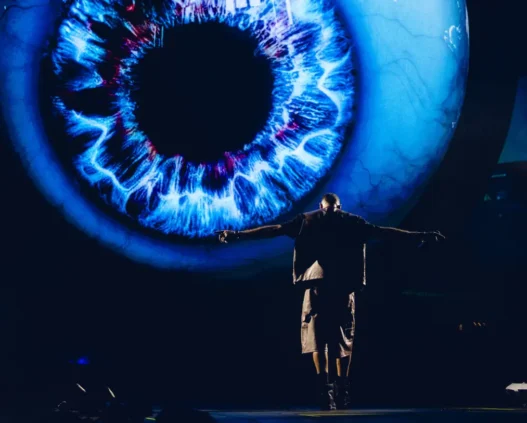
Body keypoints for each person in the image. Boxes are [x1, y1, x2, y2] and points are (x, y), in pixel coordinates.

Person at [216, 193, 445, 410]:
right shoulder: (352, 222)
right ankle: (342, 388)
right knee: (343, 340)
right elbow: (385, 232)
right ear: (340, 207)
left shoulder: (306, 220)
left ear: (320, 206)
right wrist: (420, 235)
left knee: (318, 340)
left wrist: (237, 234)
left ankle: (324, 390)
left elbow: (274, 230)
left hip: (316, 287)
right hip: (343, 288)